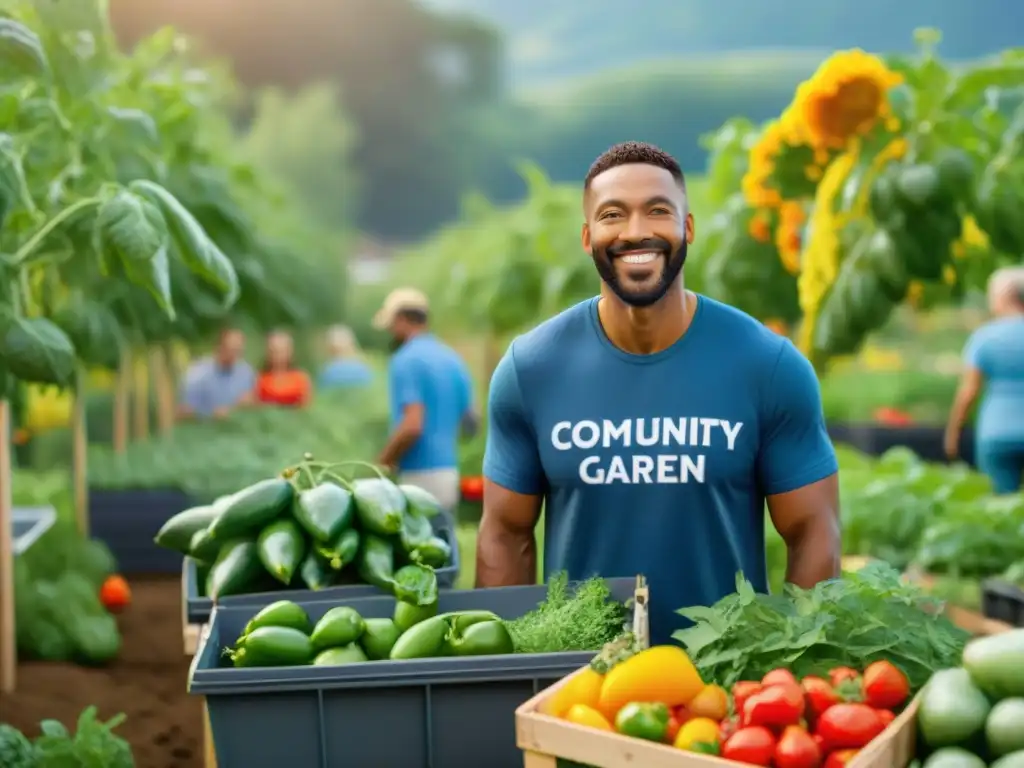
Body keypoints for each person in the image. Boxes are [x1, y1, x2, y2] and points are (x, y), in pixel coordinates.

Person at [476, 141, 841, 645]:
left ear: (686, 228)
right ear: (588, 237)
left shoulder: (767, 366)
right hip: (579, 687)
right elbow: (504, 534)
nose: (636, 231)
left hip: (722, 690)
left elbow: (814, 533)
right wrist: (508, 679)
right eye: (612, 215)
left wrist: (787, 668)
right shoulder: (532, 368)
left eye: (658, 211)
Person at [373, 287, 477, 512]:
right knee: (444, 543)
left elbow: (412, 426)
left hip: (418, 477)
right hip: (448, 472)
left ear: (401, 319)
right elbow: (470, 423)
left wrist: (381, 464)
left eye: (392, 324)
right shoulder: (452, 359)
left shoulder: (405, 359)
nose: (391, 331)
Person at [944, 266, 1024, 493]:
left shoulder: (984, 338)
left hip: (997, 432)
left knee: (1000, 511)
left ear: (1003, 298)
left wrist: (953, 434)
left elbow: (969, 392)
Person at [178, 327, 256, 420]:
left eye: (238, 351)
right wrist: (211, 414)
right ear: (219, 347)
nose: (235, 356)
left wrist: (250, 405)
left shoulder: (246, 372)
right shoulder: (197, 373)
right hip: (204, 429)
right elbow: (183, 411)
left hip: (237, 430)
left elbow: (254, 405)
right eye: (231, 350)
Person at [256, 330, 312, 407]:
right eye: (273, 351)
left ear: (290, 353)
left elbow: (307, 406)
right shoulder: (260, 379)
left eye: (282, 351)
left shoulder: (301, 379)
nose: (278, 356)